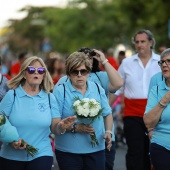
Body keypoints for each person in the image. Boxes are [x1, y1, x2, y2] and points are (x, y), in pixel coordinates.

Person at [0, 56, 76, 170]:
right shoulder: (12, 95)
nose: (36, 73)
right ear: (24, 74)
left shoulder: (50, 98)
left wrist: (61, 127)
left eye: (40, 71)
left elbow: (55, 128)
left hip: (42, 154)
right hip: (11, 156)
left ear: (43, 75)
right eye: (31, 70)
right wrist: (11, 142)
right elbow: (1, 121)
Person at [55, 47, 123, 170]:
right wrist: (74, 127)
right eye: (75, 72)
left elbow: (107, 113)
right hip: (69, 151)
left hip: (96, 150)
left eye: (83, 71)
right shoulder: (61, 90)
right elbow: (55, 124)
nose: (80, 75)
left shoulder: (97, 87)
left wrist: (108, 131)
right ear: (69, 74)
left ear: (88, 72)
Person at [112, 29, 161, 170]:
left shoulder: (161, 61)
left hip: (157, 114)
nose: (140, 45)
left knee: (154, 151)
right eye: (137, 42)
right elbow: (118, 87)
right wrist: (105, 108)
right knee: (135, 151)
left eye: (143, 41)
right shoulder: (127, 63)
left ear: (151, 42)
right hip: (132, 114)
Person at [143, 48, 170, 169]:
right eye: (162, 62)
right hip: (161, 144)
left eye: (169, 61)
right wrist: (165, 98)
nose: (164, 65)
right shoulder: (157, 89)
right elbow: (148, 122)